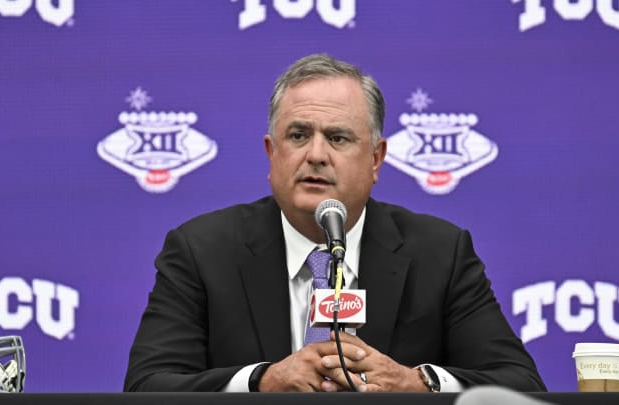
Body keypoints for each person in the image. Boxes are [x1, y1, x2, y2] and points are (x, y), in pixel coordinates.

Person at [124, 54, 546, 393]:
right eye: (298, 135)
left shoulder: (439, 253)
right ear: (272, 154)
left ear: (376, 159)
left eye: (338, 138)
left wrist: (417, 383)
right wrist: (261, 382)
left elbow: (518, 385)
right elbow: (148, 386)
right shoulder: (201, 251)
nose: (316, 154)